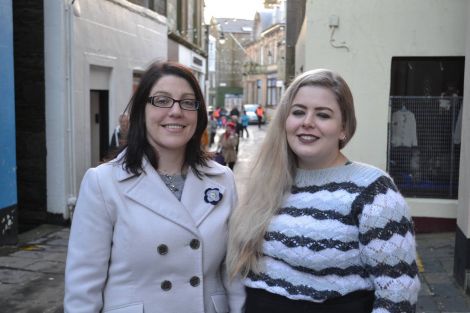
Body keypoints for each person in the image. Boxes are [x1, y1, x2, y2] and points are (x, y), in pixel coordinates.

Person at [227, 69, 420, 313]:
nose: (307, 122)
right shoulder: (267, 179)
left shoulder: (374, 191)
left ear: (344, 129)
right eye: (298, 112)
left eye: (323, 115)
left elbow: (398, 295)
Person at [64, 61, 245, 313]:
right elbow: (83, 289)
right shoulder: (103, 183)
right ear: (141, 111)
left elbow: (233, 274)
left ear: (198, 113)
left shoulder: (222, 179)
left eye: (187, 102)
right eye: (162, 100)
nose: (176, 111)